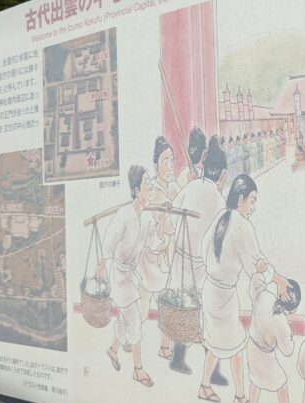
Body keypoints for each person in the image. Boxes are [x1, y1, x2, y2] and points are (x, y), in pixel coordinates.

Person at [199, 174, 291, 403]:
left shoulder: (221, 216)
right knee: (236, 344)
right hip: (223, 295)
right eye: (252, 201)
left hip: (210, 289)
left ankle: (205, 386)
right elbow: (256, 267)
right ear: (241, 199)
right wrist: (276, 277)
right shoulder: (242, 225)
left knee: (216, 343)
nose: (253, 207)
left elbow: (203, 248)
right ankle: (240, 397)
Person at [166, 136, 227, 378]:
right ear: (222, 174)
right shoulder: (219, 201)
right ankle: (213, 370)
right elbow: (218, 243)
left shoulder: (190, 188)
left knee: (186, 310)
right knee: (207, 316)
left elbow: (172, 216)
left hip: (183, 261)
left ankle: (179, 358)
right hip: (200, 267)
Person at [97, 165, 155, 388]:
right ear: (137, 189)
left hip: (131, 274)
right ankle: (138, 370)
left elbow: (153, 242)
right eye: (147, 185)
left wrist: (164, 234)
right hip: (119, 276)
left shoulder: (146, 218)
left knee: (128, 317)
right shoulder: (124, 215)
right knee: (134, 321)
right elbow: (110, 240)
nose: (150, 188)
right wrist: (102, 262)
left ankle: (112, 350)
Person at [138, 137, 180, 362]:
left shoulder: (172, 187)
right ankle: (128, 337)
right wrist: (166, 212)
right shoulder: (154, 191)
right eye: (164, 161)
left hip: (167, 253)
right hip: (153, 255)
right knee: (144, 302)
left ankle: (165, 345)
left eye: (171, 160)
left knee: (164, 298)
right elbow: (162, 232)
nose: (169, 165)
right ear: (156, 165)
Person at [247, 271, 302, 403]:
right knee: (281, 382)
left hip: (252, 346)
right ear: (292, 308)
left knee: (255, 380)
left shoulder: (265, 297)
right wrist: (290, 335)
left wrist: (264, 274)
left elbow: (256, 284)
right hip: (265, 355)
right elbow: (287, 350)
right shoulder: (281, 322)